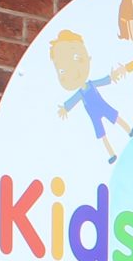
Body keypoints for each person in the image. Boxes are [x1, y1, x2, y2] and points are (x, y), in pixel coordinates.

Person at [49, 29, 128, 162]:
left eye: (76, 59)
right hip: (94, 114)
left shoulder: (91, 84)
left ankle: (129, 130)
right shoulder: (80, 93)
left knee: (115, 117)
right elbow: (72, 101)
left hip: (102, 106)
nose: (72, 72)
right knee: (102, 134)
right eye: (62, 70)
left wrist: (112, 77)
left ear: (88, 58)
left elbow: (103, 81)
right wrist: (65, 108)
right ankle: (112, 154)